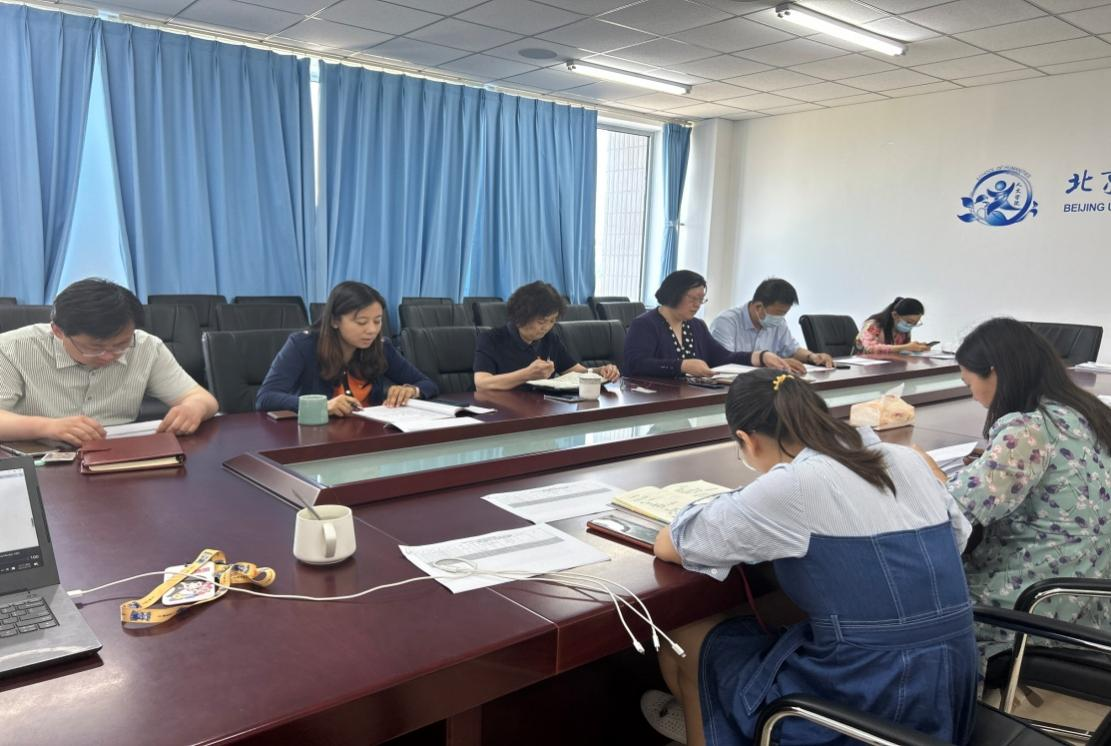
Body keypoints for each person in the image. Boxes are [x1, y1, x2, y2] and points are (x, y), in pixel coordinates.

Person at [647, 369, 977, 746]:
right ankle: (712, 726)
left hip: (867, 700)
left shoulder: (794, 485)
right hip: (947, 692)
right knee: (779, 616)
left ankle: (708, 726)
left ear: (747, 440)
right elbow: (959, 538)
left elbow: (671, 543)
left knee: (686, 636)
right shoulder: (908, 459)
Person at [924, 318, 1111, 660]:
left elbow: (953, 509)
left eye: (969, 383)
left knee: (912, 595)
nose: (972, 395)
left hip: (1035, 603)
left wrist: (929, 470)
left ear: (994, 373)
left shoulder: (1027, 428)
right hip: (1092, 598)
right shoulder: (1086, 411)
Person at [0, 278, 218, 447]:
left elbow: (202, 398)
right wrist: (48, 427)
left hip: (119, 454)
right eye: (94, 348)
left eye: (121, 344)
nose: (109, 356)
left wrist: (193, 408)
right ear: (58, 331)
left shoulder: (146, 346)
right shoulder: (12, 349)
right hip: (39, 456)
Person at [256, 281, 437, 415]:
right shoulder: (302, 345)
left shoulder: (382, 347)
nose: (372, 330)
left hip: (370, 435)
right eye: (361, 322)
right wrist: (321, 406)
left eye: (377, 321)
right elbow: (266, 397)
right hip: (318, 437)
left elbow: (428, 384)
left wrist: (411, 391)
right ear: (335, 321)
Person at [623, 270, 791, 379]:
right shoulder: (645, 325)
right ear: (674, 294)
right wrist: (682, 365)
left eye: (701, 299)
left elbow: (723, 357)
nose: (697, 305)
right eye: (693, 299)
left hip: (688, 397)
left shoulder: (696, 326)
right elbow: (636, 364)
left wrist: (760, 356)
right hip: (651, 398)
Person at [473, 281, 619, 391]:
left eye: (552, 321)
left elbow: (577, 371)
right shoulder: (491, 339)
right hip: (497, 411)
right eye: (541, 322)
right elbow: (482, 383)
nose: (547, 327)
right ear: (521, 317)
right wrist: (526, 374)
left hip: (538, 409)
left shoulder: (550, 340)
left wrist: (600, 371)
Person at [709, 278, 833, 371]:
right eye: (779, 313)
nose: (780, 318)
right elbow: (725, 362)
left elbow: (792, 350)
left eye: (784, 313)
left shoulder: (779, 323)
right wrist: (773, 362)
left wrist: (812, 356)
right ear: (758, 307)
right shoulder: (727, 322)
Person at [853, 296, 933, 354]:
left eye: (915, 323)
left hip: (891, 365)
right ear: (895, 315)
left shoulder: (904, 330)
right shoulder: (874, 324)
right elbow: (869, 349)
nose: (911, 326)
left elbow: (901, 351)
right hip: (868, 367)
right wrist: (906, 347)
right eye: (909, 322)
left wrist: (917, 348)